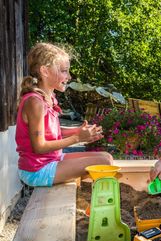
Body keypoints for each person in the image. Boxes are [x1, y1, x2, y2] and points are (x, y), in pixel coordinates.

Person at [16, 42, 113, 187]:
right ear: (45, 71)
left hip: (52, 160)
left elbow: (50, 132)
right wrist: (77, 138)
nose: (68, 76)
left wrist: (78, 131)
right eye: (63, 71)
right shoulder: (34, 102)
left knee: (107, 157)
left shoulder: (48, 98)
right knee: (103, 163)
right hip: (38, 170)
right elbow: (39, 146)